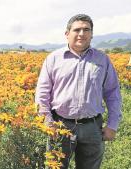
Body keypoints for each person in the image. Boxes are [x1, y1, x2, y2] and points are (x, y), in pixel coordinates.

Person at [35, 14, 122, 169]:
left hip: (92, 128)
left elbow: (113, 93)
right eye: (77, 30)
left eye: (86, 29)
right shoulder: (54, 59)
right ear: (67, 34)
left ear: (92, 34)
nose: (82, 33)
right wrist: (48, 123)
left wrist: (112, 125)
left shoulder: (102, 59)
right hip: (60, 125)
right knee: (56, 166)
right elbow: (42, 94)